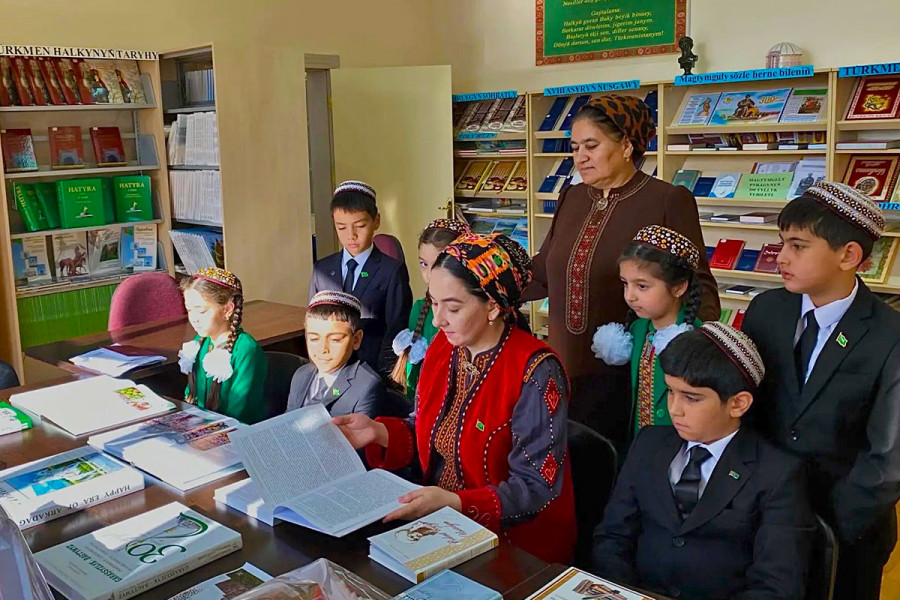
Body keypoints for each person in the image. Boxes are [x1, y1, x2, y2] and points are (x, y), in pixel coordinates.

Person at [333, 233, 576, 563]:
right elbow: (427, 428)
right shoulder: (444, 348)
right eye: (433, 302)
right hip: (438, 524)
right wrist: (380, 433)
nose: (437, 320)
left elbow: (535, 487)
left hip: (513, 545)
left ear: (492, 305)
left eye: (453, 307)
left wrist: (456, 503)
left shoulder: (535, 370)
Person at [522, 94, 719, 446]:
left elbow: (699, 289)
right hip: (561, 367)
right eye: (575, 146)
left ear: (627, 145)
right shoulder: (572, 197)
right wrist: (478, 285)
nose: (579, 157)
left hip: (626, 376)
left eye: (591, 145)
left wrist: (678, 373)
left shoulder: (665, 199)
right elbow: (542, 272)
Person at [741, 181, 900, 600]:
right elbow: (748, 408)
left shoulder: (890, 335)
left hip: (847, 527)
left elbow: (887, 459)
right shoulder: (766, 310)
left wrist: (826, 523)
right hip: (764, 512)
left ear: (849, 255)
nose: (782, 257)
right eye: (781, 243)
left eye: (798, 245)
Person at [593, 323, 814, 600]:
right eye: (671, 391)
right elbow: (612, 538)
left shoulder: (777, 474)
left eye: (692, 398)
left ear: (738, 404)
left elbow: (776, 586)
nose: (674, 409)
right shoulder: (648, 444)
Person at [592, 225, 704, 438]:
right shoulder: (638, 328)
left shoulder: (697, 339)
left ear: (679, 287)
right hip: (640, 443)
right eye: (625, 284)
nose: (630, 296)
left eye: (642, 286)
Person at [309, 180, 413, 376]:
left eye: (360, 226)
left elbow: (396, 328)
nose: (351, 235)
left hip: (371, 369)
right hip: (330, 368)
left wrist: (382, 376)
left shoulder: (391, 271)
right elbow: (314, 322)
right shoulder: (322, 269)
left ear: (376, 221)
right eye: (341, 227)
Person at [390, 218, 469, 399]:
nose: (429, 273)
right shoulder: (419, 309)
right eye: (423, 264)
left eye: (440, 263)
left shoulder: (474, 314)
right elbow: (413, 381)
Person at [178, 267, 268, 424]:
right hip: (202, 428)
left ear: (227, 309)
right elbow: (191, 395)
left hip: (236, 434)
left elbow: (238, 411)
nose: (194, 319)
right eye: (189, 310)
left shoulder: (246, 350)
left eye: (202, 311)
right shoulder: (201, 342)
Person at [286, 291, 385, 419]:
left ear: (356, 340)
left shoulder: (366, 386)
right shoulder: (301, 375)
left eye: (335, 340)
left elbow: (360, 436)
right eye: (314, 339)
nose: (323, 349)